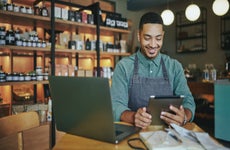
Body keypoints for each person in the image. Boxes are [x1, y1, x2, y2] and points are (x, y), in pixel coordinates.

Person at [111, 12, 195, 129]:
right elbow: (115, 105)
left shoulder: (174, 67)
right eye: (147, 38)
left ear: (163, 36)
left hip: (168, 136)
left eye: (158, 38)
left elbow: (189, 102)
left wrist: (184, 117)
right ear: (139, 36)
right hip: (133, 134)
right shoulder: (123, 67)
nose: (153, 44)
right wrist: (133, 116)